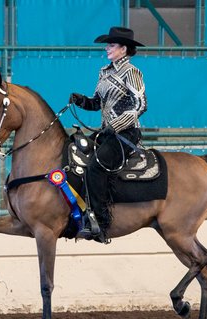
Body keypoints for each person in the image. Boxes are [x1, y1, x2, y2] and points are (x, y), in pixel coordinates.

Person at [69, 26, 147, 243]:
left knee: (97, 166)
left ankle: (101, 224)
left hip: (127, 133)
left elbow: (141, 104)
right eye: (108, 44)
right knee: (78, 154)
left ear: (123, 49)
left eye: (111, 45)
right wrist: (81, 100)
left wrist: (117, 123)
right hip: (107, 133)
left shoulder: (132, 73)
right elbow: (97, 103)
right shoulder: (104, 72)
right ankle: (82, 212)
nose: (107, 48)